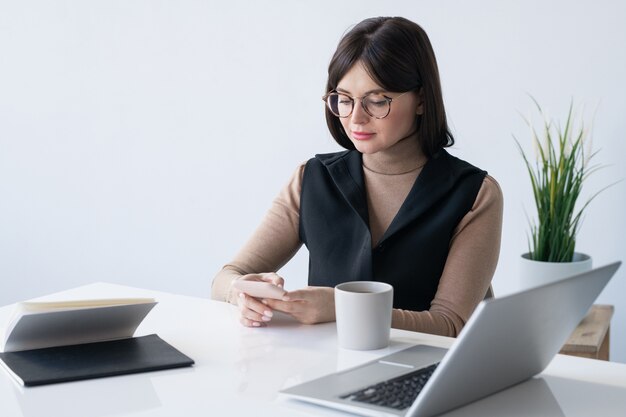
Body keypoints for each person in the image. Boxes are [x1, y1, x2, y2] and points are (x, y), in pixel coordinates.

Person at [211, 16, 503, 337]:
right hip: (326, 372)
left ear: (421, 99)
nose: (356, 118)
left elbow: (449, 325)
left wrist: (342, 307)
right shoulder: (312, 178)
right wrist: (242, 293)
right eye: (344, 100)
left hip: (427, 376)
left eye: (377, 101)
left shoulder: (475, 193)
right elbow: (228, 277)